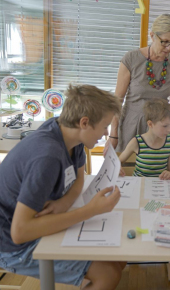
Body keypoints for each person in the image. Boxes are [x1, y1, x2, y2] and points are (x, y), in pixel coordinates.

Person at [0, 84, 126, 290]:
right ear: (84, 123)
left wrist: (64, 203)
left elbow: (78, 180)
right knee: (108, 274)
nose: (105, 134)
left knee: (118, 257)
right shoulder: (47, 157)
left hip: (32, 223)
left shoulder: (67, 134)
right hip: (10, 246)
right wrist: (90, 211)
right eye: (104, 126)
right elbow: (19, 232)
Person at [107, 13, 170, 159]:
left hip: (160, 129)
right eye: (165, 42)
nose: (169, 48)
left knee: (155, 174)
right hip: (131, 125)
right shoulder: (131, 59)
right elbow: (117, 100)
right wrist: (113, 134)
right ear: (152, 35)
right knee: (126, 172)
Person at [118, 98, 170, 180]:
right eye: (165, 126)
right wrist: (118, 168)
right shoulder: (137, 142)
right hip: (138, 185)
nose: (169, 129)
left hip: (160, 186)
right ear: (150, 124)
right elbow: (117, 162)